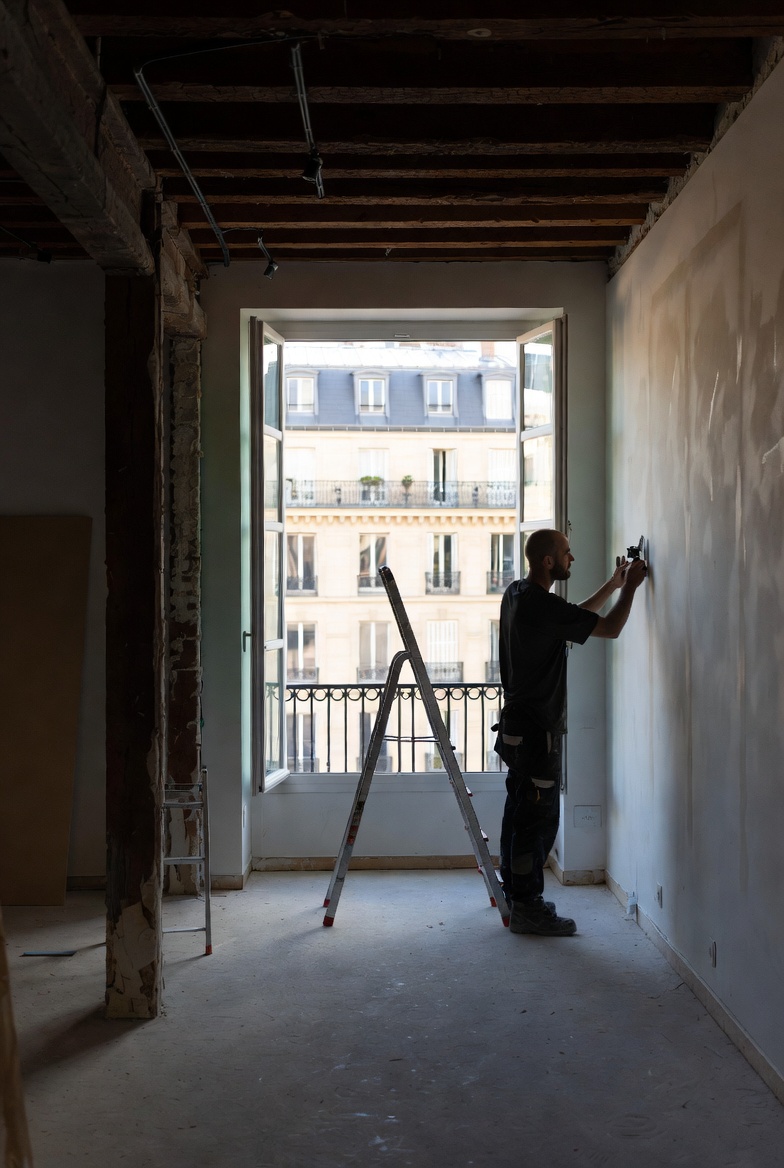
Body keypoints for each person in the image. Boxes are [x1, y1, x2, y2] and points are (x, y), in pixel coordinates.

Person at [495, 528, 647, 936]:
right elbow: (609, 628)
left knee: (518, 811)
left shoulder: (517, 594)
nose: (572, 558)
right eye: (566, 552)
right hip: (537, 731)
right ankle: (528, 907)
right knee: (537, 821)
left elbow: (571, 618)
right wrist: (630, 589)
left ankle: (515, 894)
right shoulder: (542, 606)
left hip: (516, 727)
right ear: (549, 561)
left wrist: (612, 585)